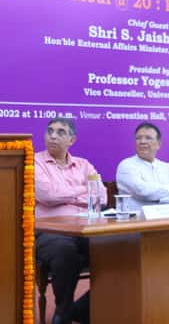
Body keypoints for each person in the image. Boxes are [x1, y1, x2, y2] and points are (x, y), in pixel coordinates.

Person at [34, 117, 105, 324]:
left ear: (71, 140)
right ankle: (63, 312)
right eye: (50, 131)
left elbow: (102, 196)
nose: (53, 136)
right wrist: (84, 190)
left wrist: (67, 194)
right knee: (65, 251)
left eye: (60, 132)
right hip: (49, 230)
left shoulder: (84, 165)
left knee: (117, 249)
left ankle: (81, 309)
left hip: (85, 228)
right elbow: (47, 195)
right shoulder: (35, 161)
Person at [115, 122, 169, 211]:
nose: (142, 142)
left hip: (168, 218)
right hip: (137, 221)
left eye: (148, 138)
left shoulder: (168, 168)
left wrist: (159, 198)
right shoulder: (126, 166)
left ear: (158, 144)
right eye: (138, 138)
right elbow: (143, 191)